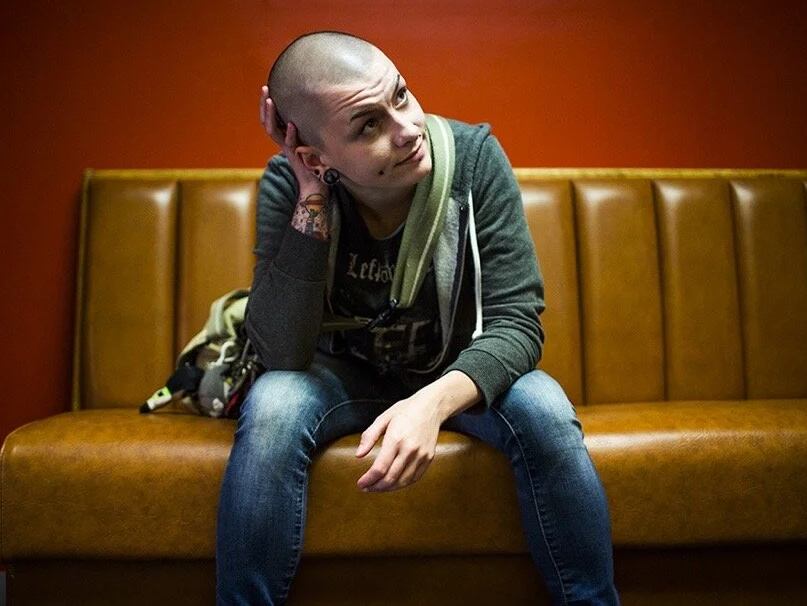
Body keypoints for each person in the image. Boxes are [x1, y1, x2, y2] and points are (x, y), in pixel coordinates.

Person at [216, 31, 619, 605]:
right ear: (315, 157)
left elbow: (517, 323)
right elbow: (281, 352)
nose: (407, 129)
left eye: (401, 95)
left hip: (454, 373)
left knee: (546, 409)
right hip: (340, 381)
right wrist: (311, 198)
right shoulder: (291, 183)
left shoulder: (473, 159)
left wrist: (429, 404)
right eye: (368, 126)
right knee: (274, 403)